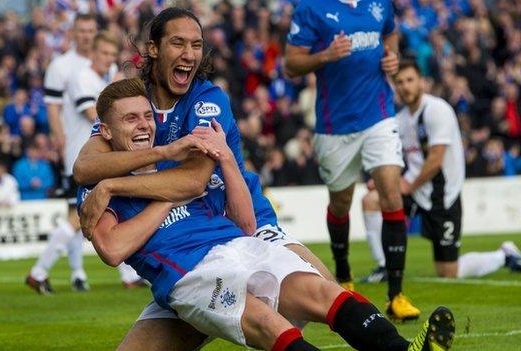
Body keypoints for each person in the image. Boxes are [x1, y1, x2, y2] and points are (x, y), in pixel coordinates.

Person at [79, 78, 456, 351]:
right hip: (190, 273)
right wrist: (168, 194)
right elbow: (112, 249)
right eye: (131, 120)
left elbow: (245, 224)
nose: (145, 125)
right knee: (265, 322)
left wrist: (217, 161)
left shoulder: (182, 151)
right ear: (105, 131)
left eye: (147, 116)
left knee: (321, 290)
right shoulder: (99, 184)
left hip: (239, 243)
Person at [71, 8, 336, 349]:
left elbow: (193, 182)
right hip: (193, 242)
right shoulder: (133, 104)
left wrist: (112, 184)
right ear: (153, 49)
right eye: (178, 43)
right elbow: (83, 168)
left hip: (244, 221)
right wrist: (161, 155)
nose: (189, 54)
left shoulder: (206, 98)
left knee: (328, 296)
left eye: (196, 45)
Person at [284, 0, 419, 320]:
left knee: (391, 195)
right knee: (341, 204)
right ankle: (343, 275)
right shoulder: (311, 8)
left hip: (379, 115)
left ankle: (396, 294)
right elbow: (291, 65)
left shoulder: (379, 4)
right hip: (336, 127)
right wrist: (325, 56)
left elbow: (390, 32)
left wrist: (392, 56)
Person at [360, 60, 521, 279]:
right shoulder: (401, 119)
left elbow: (436, 159)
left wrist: (408, 185)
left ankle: (504, 255)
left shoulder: (437, 110)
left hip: (443, 195)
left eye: (410, 80)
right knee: (372, 200)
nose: (405, 86)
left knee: (448, 273)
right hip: (416, 190)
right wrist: (383, 181)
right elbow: (400, 160)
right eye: (399, 82)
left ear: (422, 82)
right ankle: (384, 267)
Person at [25, 13, 97, 294]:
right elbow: (52, 107)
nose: (87, 35)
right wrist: (61, 140)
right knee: (79, 215)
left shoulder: (102, 65)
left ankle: (78, 274)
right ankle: (39, 271)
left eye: (91, 30)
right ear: (73, 32)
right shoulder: (61, 66)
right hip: (77, 151)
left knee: (76, 212)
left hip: (96, 151)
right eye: (82, 30)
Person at [66, 30, 144, 288]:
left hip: (109, 156)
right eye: (105, 53)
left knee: (113, 213)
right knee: (77, 220)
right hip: (82, 156)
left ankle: (123, 275)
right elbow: (96, 117)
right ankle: (42, 270)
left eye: (113, 55)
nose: (109, 59)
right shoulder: (82, 78)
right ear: (94, 52)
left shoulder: (108, 76)